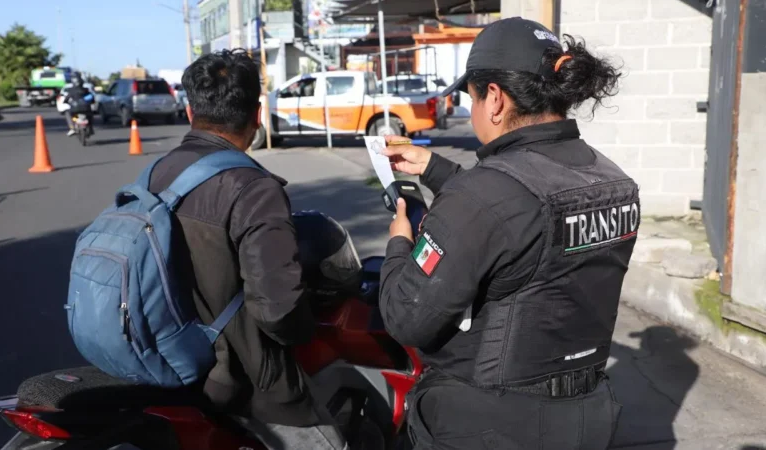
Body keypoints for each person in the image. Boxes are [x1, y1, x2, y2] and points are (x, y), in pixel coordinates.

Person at [379, 17, 635, 450]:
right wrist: (435, 170)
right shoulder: (612, 180)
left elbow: (407, 318)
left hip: (487, 424)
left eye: (472, 98)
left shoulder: (483, 197)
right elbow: (520, 217)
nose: (471, 111)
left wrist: (399, 243)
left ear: (494, 99)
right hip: (587, 417)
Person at [147, 49, 347, 450]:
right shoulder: (254, 188)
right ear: (257, 116)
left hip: (167, 361)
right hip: (239, 380)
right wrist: (306, 328)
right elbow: (278, 310)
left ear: (190, 113)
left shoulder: (159, 172)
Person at [62, 72, 94, 137]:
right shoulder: (85, 89)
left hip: (74, 109)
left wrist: (65, 102)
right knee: (90, 115)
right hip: (86, 109)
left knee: (69, 114)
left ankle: (72, 128)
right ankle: (90, 128)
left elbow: (66, 99)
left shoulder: (71, 90)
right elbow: (91, 98)